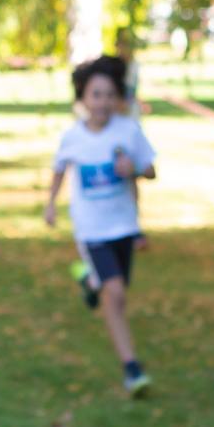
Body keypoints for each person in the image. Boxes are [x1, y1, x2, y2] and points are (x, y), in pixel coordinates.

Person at [45, 55, 157, 397]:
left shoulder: (129, 131)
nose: (103, 102)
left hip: (123, 225)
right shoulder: (72, 138)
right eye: (96, 95)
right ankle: (131, 366)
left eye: (109, 95)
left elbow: (151, 170)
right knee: (117, 293)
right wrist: (50, 204)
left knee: (114, 289)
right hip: (91, 229)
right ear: (83, 98)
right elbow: (60, 169)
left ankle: (89, 281)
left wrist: (133, 168)